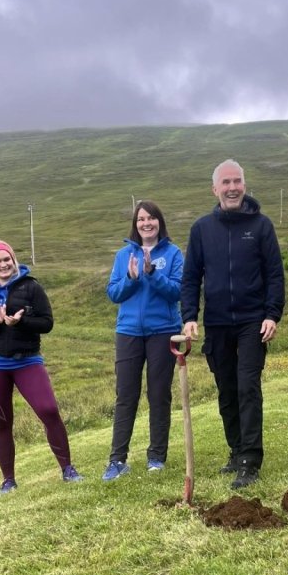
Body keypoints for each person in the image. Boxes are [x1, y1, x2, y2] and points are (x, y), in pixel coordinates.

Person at [181, 159, 285, 490]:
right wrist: (189, 316)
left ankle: (250, 460)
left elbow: (274, 274)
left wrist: (272, 314)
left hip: (253, 321)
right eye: (225, 182)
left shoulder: (261, 226)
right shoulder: (201, 229)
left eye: (237, 181)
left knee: (247, 387)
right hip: (217, 322)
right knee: (227, 389)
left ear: (244, 185)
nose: (232, 187)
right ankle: (237, 450)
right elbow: (191, 277)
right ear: (215, 189)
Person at [0, 239, 83, 494]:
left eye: (6, 259)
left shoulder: (31, 287)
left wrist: (20, 322)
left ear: (13, 260)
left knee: (49, 410)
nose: (3, 264)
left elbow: (47, 323)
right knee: (2, 422)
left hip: (28, 360)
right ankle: (8, 480)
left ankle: (68, 469)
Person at [102, 200, 184, 481]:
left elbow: (177, 292)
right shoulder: (124, 255)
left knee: (159, 395)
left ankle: (156, 457)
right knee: (126, 396)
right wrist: (132, 277)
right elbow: (114, 293)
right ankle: (117, 460)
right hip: (128, 332)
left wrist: (153, 274)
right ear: (135, 224)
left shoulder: (173, 253)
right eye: (141, 219)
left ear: (159, 222)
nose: (146, 223)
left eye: (151, 218)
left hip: (163, 331)